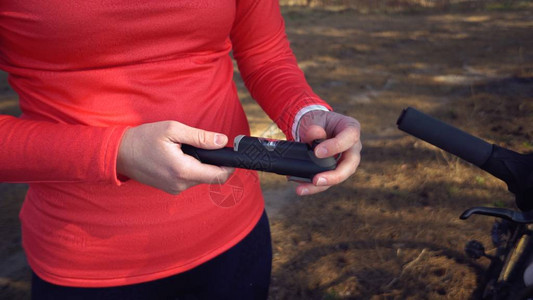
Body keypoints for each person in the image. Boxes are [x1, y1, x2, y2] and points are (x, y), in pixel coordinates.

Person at [0, 0, 362, 299]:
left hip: (236, 234)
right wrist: (116, 151)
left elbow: (264, 53)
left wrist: (306, 113)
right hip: (91, 264)